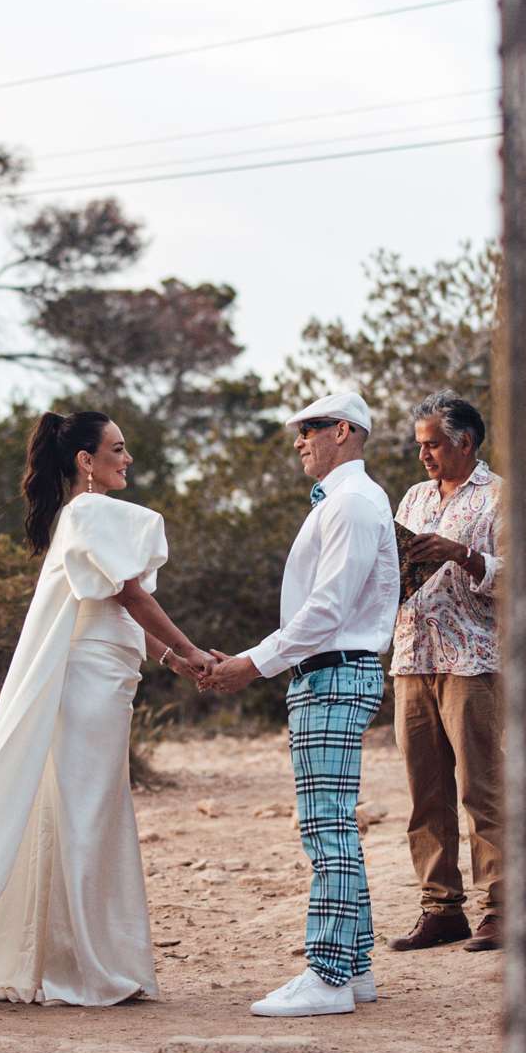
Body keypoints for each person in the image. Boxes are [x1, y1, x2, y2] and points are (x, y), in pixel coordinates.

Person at [0, 410, 212, 1007]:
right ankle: (86, 967)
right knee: (88, 813)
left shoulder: (89, 516)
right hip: (90, 685)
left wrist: (174, 659)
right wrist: (192, 651)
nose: (128, 459)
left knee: (93, 812)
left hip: (107, 679)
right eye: (117, 449)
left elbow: (113, 607)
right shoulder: (89, 513)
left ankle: (89, 961)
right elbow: (130, 596)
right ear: (86, 461)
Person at [199, 389, 399, 1018]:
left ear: (343, 431)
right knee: (334, 823)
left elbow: (327, 610)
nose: (298, 440)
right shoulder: (348, 500)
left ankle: (328, 975)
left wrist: (252, 663)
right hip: (331, 671)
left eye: (309, 428)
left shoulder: (352, 502)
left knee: (326, 827)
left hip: (334, 671)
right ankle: (355, 969)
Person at [387, 392, 508, 953]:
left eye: (432, 444)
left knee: (482, 787)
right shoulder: (413, 497)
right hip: (412, 658)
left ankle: (503, 908)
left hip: (473, 660)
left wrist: (463, 554)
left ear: (466, 441)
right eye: (420, 445)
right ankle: (440, 908)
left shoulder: (500, 497)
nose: (424, 455)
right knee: (425, 792)